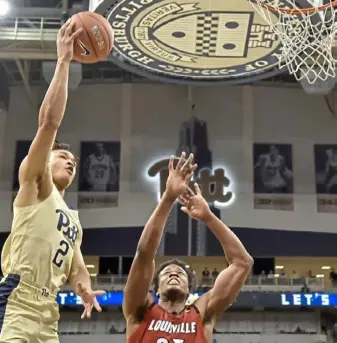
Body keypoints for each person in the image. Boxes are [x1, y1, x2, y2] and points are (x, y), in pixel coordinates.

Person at [0, 19, 104, 343]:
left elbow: (76, 268)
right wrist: (64, 61)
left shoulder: (73, 220)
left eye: (73, 161)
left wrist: (84, 288)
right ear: (45, 161)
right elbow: (48, 123)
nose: (71, 160)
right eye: (63, 157)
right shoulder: (35, 183)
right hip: (17, 299)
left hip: (49, 311)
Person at [123, 152, 253, 343]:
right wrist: (168, 198)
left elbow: (243, 263)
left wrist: (209, 218)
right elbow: (144, 253)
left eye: (180, 273)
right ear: (156, 289)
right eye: (167, 273)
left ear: (190, 289)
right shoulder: (140, 310)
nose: (174, 274)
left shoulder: (202, 314)